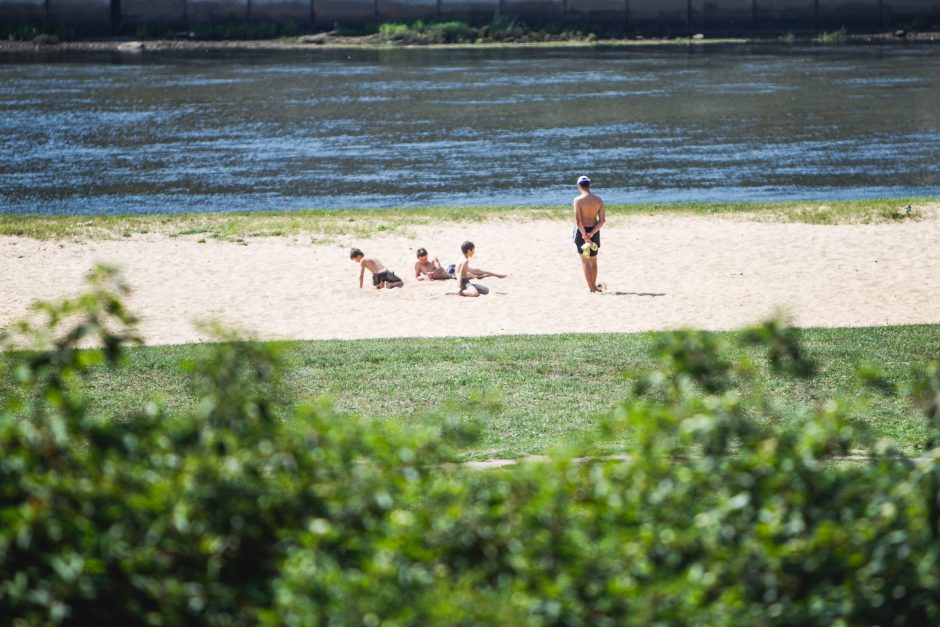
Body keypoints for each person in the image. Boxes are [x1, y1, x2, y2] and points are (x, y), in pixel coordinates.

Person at [572, 175, 606, 293]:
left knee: (584, 260)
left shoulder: (578, 200)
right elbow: (602, 220)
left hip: (582, 232)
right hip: (594, 231)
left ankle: (591, 287)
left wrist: (584, 235)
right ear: (589, 185)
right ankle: (594, 286)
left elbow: (578, 221)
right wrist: (591, 233)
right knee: (593, 259)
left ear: (579, 186)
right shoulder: (598, 200)